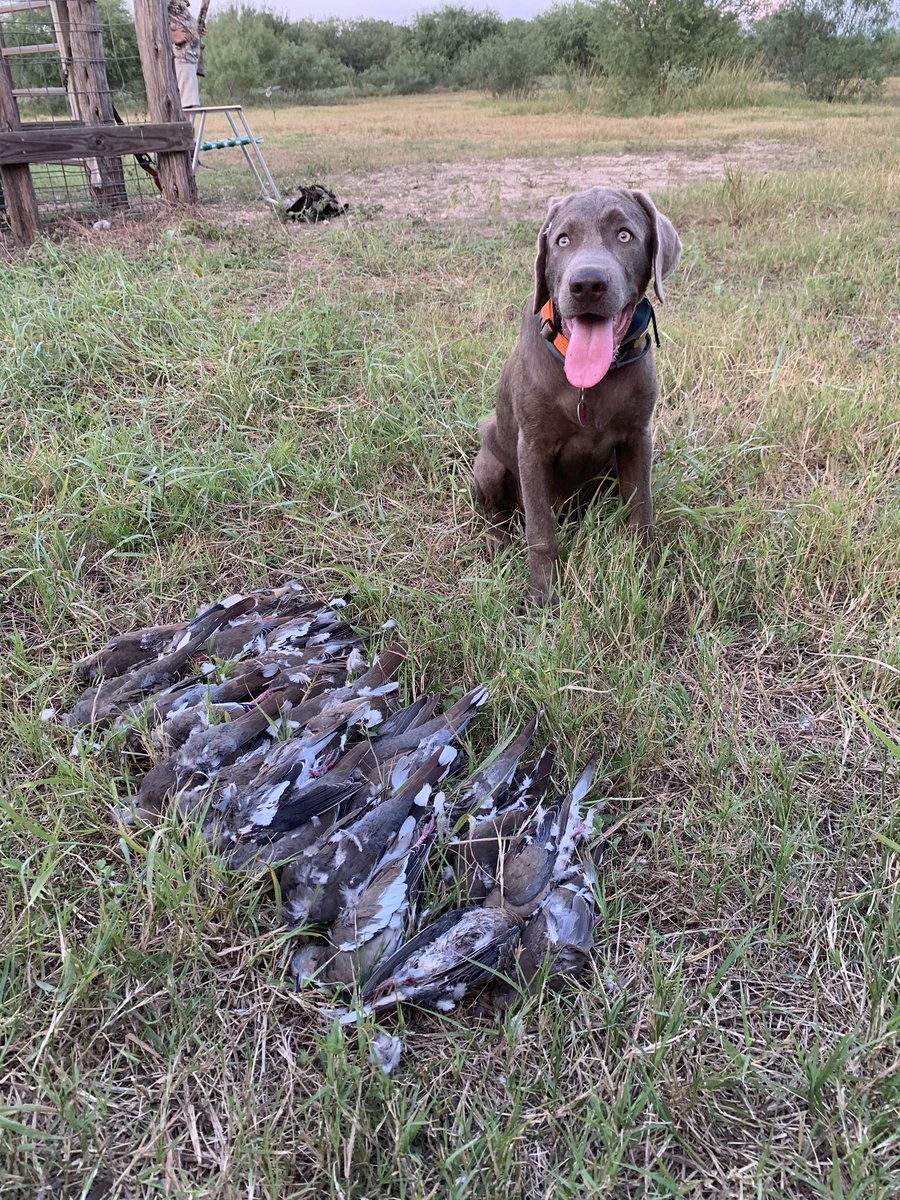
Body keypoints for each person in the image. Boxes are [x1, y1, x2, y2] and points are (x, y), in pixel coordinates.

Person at [168, 0, 203, 110]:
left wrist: (196, 30)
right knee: (185, 104)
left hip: (189, 57)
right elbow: (153, 21)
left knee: (189, 104)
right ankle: (185, 127)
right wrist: (172, 35)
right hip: (181, 57)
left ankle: (188, 126)